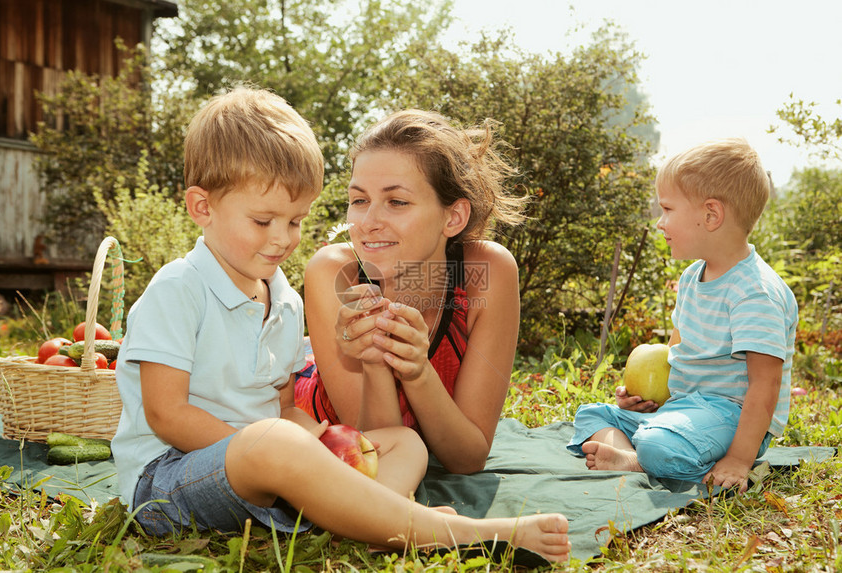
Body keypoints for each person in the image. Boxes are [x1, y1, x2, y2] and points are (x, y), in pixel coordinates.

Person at [111, 89, 571, 562]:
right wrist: (295, 453)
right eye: (358, 200)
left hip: (263, 468)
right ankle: (439, 530)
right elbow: (165, 415)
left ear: (453, 216)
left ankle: (377, 523)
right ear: (202, 208)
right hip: (169, 478)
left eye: (294, 222)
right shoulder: (179, 287)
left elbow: (286, 408)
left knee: (404, 445)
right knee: (278, 444)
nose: (284, 239)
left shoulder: (283, 298)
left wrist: (316, 446)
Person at [295, 109, 527, 475]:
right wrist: (374, 362)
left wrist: (417, 373)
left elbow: (468, 459)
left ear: (453, 218)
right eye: (359, 200)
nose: (368, 223)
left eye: (397, 202)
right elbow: (376, 453)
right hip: (322, 414)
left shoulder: (488, 273)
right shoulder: (332, 273)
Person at [566, 138, 798, 493]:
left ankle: (640, 458)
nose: (660, 223)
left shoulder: (755, 292)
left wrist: (738, 459)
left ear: (711, 215)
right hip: (684, 412)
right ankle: (637, 455)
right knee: (593, 415)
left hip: (730, 419)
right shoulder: (692, 278)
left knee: (659, 445)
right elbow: (679, 354)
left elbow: (765, 386)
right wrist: (650, 400)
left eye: (667, 209)